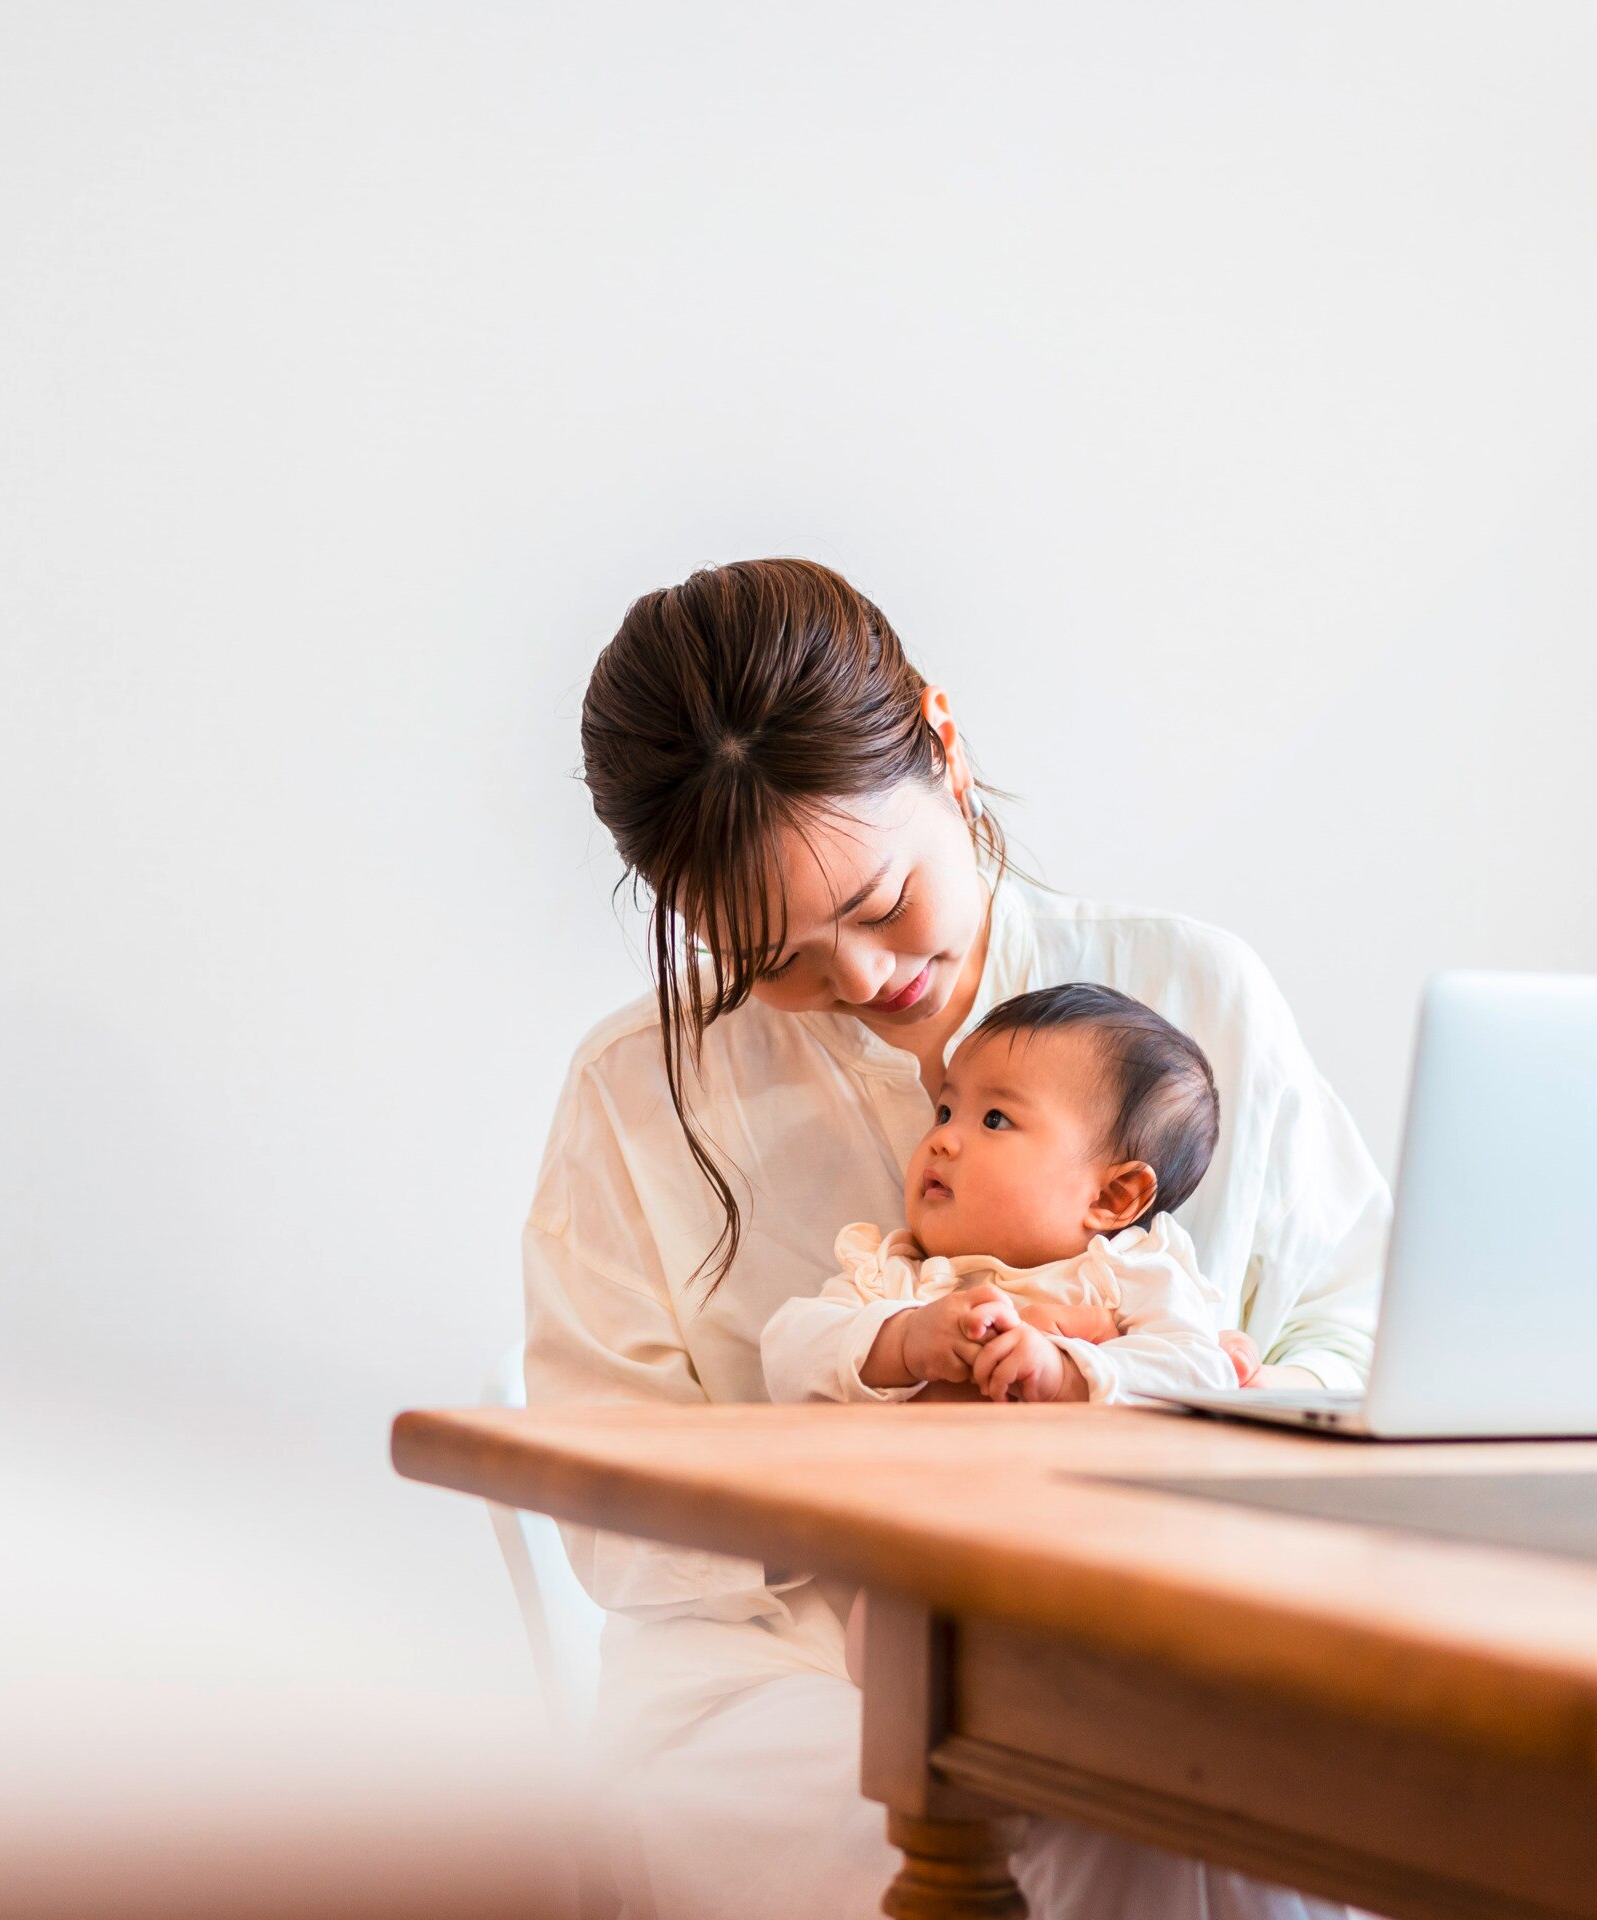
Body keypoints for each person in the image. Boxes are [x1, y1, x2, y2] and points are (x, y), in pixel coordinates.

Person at [524, 557, 1389, 1920]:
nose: (861, 981)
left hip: (1170, 1632)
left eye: (877, 905)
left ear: (943, 743)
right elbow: (605, 1508)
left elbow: (1355, 1315)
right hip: (778, 1682)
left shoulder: (1191, 1002)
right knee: (1104, 1810)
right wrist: (882, 1452)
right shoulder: (639, 1093)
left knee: (1270, 1790)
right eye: (776, 959)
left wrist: (1208, 1399)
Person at [761, 982, 1253, 1408]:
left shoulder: (1129, 1277)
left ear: (1113, 1197)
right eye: (946, 1112)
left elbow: (1201, 1373)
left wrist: (1064, 1375)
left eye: (994, 1119)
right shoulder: (897, 1278)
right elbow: (786, 1354)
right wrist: (904, 1342)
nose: (941, 1139)